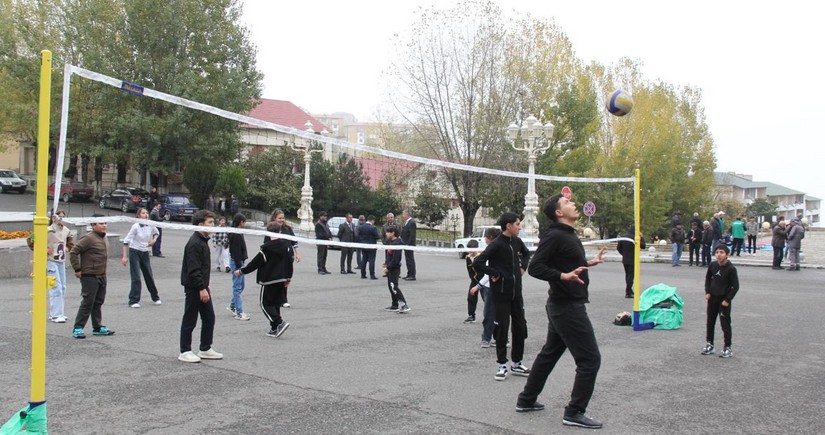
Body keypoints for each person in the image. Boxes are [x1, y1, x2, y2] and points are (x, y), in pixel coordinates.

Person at [516, 194, 607, 430]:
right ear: (558, 212)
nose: (573, 204)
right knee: (590, 359)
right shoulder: (555, 235)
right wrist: (562, 276)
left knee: (550, 353)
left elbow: (567, 262)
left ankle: (526, 400)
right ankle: (574, 412)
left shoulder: (567, 234)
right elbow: (536, 267)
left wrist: (589, 263)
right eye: (567, 203)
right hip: (567, 306)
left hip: (562, 304)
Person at [473, 212, 531, 382]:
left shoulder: (517, 241)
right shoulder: (497, 244)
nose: (519, 227)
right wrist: (495, 273)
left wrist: (523, 267)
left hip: (516, 294)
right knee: (502, 329)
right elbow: (478, 262)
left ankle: (517, 363)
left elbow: (526, 254)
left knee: (520, 327)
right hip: (501, 294)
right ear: (508, 226)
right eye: (518, 224)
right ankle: (502, 365)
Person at [178, 210, 223, 363]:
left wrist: (204, 287)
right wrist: (201, 288)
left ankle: (205, 348)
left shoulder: (203, 241)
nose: (213, 225)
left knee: (209, 317)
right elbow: (193, 270)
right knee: (190, 318)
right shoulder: (194, 243)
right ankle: (184, 351)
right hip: (194, 287)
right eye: (210, 222)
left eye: (213, 222)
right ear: (200, 224)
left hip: (202, 286)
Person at [236, 222, 293, 338]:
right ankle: (274, 328)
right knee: (275, 303)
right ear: (280, 231)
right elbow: (289, 262)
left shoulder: (266, 249)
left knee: (265, 304)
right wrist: (288, 277)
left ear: (267, 233)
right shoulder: (287, 246)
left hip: (269, 280)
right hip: (282, 279)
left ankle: (279, 322)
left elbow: (255, 263)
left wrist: (241, 271)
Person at [69, 214, 115, 339]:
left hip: (101, 274)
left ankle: (97, 326)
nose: (104, 225)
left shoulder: (103, 237)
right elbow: (73, 252)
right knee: (88, 302)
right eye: (101, 223)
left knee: (98, 302)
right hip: (90, 275)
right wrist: (77, 268)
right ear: (93, 225)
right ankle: (78, 328)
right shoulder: (88, 238)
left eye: (105, 223)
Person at [701, 244, 739, 359]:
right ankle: (710, 344)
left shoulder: (731, 269)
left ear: (727, 255)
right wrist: (707, 292)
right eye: (717, 252)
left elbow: (736, 286)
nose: (719, 255)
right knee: (710, 322)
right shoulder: (712, 265)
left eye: (722, 252)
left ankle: (727, 347)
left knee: (725, 324)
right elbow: (708, 279)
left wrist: (728, 299)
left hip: (723, 301)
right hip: (712, 298)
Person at [122, 207, 162, 308]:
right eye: (143, 213)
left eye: (146, 213)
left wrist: (154, 240)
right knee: (136, 277)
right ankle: (133, 300)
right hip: (134, 251)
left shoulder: (150, 224)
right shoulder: (135, 226)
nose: (146, 215)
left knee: (148, 274)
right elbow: (126, 241)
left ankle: (155, 297)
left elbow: (157, 232)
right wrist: (124, 257)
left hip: (145, 252)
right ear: (139, 216)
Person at [469, 227, 501, 347]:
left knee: (489, 313)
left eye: (486, 237)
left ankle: (486, 339)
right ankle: (500, 338)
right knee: (499, 314)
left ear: (490, 238)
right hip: (495, 285)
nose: (485, 239)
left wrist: (478, 286)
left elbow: (490, 273)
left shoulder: (492, 251)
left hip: (490, 287)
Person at [268, 209, 301, 307]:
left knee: (286, 278)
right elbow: (267, 244)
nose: (281, 220)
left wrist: (297, 254)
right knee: (276, 278)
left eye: (283, 218)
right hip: (276, 258)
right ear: (275, 218)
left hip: (287, 257)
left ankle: (283, 300)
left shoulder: (288, 229)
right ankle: (272, 298)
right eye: (279, 218)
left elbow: (294, 242)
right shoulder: (271, 228)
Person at [47, 210, 74, 323]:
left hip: (61, 261)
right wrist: (45, 250)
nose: (61, 219)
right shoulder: (47, 230)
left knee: (62, 286)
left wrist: (67, 248)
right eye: (59, 217)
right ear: (53, 218)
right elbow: (32, 240)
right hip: (50, 261)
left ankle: (59, 312)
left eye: (63, 217)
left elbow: (70, 241)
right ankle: (56, 314)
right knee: (55, 286)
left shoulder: (66, 230)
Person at [382, 225, 410, 313]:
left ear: (393, 233)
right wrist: (386, 263)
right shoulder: (392, 242)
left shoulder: (397, 243)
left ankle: (404, 304)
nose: (386, 234)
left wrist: (388, 267)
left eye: (387, 232)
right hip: (390, 267)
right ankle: (395, 305)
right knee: (391, 287)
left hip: (394, 269)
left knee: (394, 287)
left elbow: (396, 259)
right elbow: (390, 255)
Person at [228, 213, 249, 320]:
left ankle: (232, 305)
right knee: (237, 287)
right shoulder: (235, 234)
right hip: (237, 262)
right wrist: (238, 267)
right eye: (244, 222)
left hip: (240, 261)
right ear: (241, 222)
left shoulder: (238, 233)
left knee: (241, 285)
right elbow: (235, 252)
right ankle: (239, 312)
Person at [616, 226, 645, 298]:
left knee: (627, 275)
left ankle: (629, 290)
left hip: (625, 259)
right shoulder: (636, 238)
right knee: (631, 276)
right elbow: (643, 246)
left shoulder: (624, 237)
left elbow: (618, 248)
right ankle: (628, 292)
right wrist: (642, 237)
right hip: (633, 259)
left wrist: (623, 254)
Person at [464, 239, 481, 323]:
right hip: (474, 280)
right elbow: (469, 269)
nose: (470, 250)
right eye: (469, 248)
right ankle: (471, 315)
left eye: (472, 248)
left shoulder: (480, 256)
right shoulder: (467, 258)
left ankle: (493, 315)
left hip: (483, 280)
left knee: (487, 298)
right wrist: (473, 279)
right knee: (471, 297)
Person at [358, 215, 380, 280]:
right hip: (371, 246)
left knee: (364, 260)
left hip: (364, 245)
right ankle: (372, 275)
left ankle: (363, 274)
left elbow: (359, 235)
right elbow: (377, 236)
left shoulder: (361, 227)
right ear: (372, 220)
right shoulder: (373, 228)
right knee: (371, 260)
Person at [401, 209, 417, 281]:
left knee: (410, 259)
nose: (403, 216)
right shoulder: (407, 222)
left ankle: (412, 275)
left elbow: (412, 235)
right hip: (405, 244)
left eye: (403, 214)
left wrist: (409, 244)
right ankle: (409, 273)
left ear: (407, 214)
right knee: (407, 259)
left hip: (409, 244)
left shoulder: (411, 222)